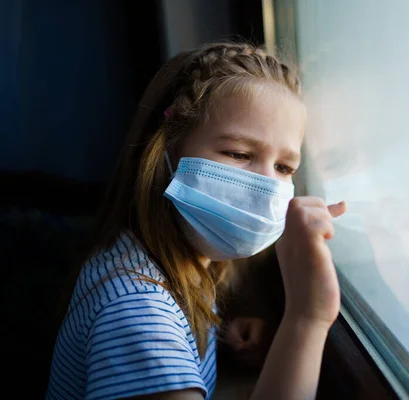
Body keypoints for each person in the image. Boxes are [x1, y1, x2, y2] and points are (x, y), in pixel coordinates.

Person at [45, 41, 347, 400]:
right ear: (167, 151)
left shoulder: (168, 264)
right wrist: (306, 319)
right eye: (239, 153)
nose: (267, 185)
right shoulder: (138, 316)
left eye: (284, 167)